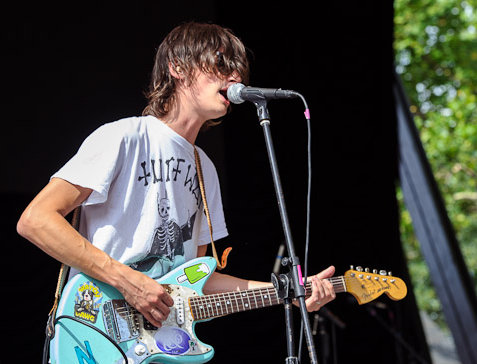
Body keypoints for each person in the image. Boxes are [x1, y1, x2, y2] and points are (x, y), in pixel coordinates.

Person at [17, 21, 335, 335]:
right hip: (97, 331)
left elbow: (198, 281)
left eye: (239, 70)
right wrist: (127, 280)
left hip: (157, 344)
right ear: (178, 67)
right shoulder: (123, 138)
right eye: (222, 63)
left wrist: (286, 291)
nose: (235, 77)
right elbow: (36, 219)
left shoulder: (204, 169)